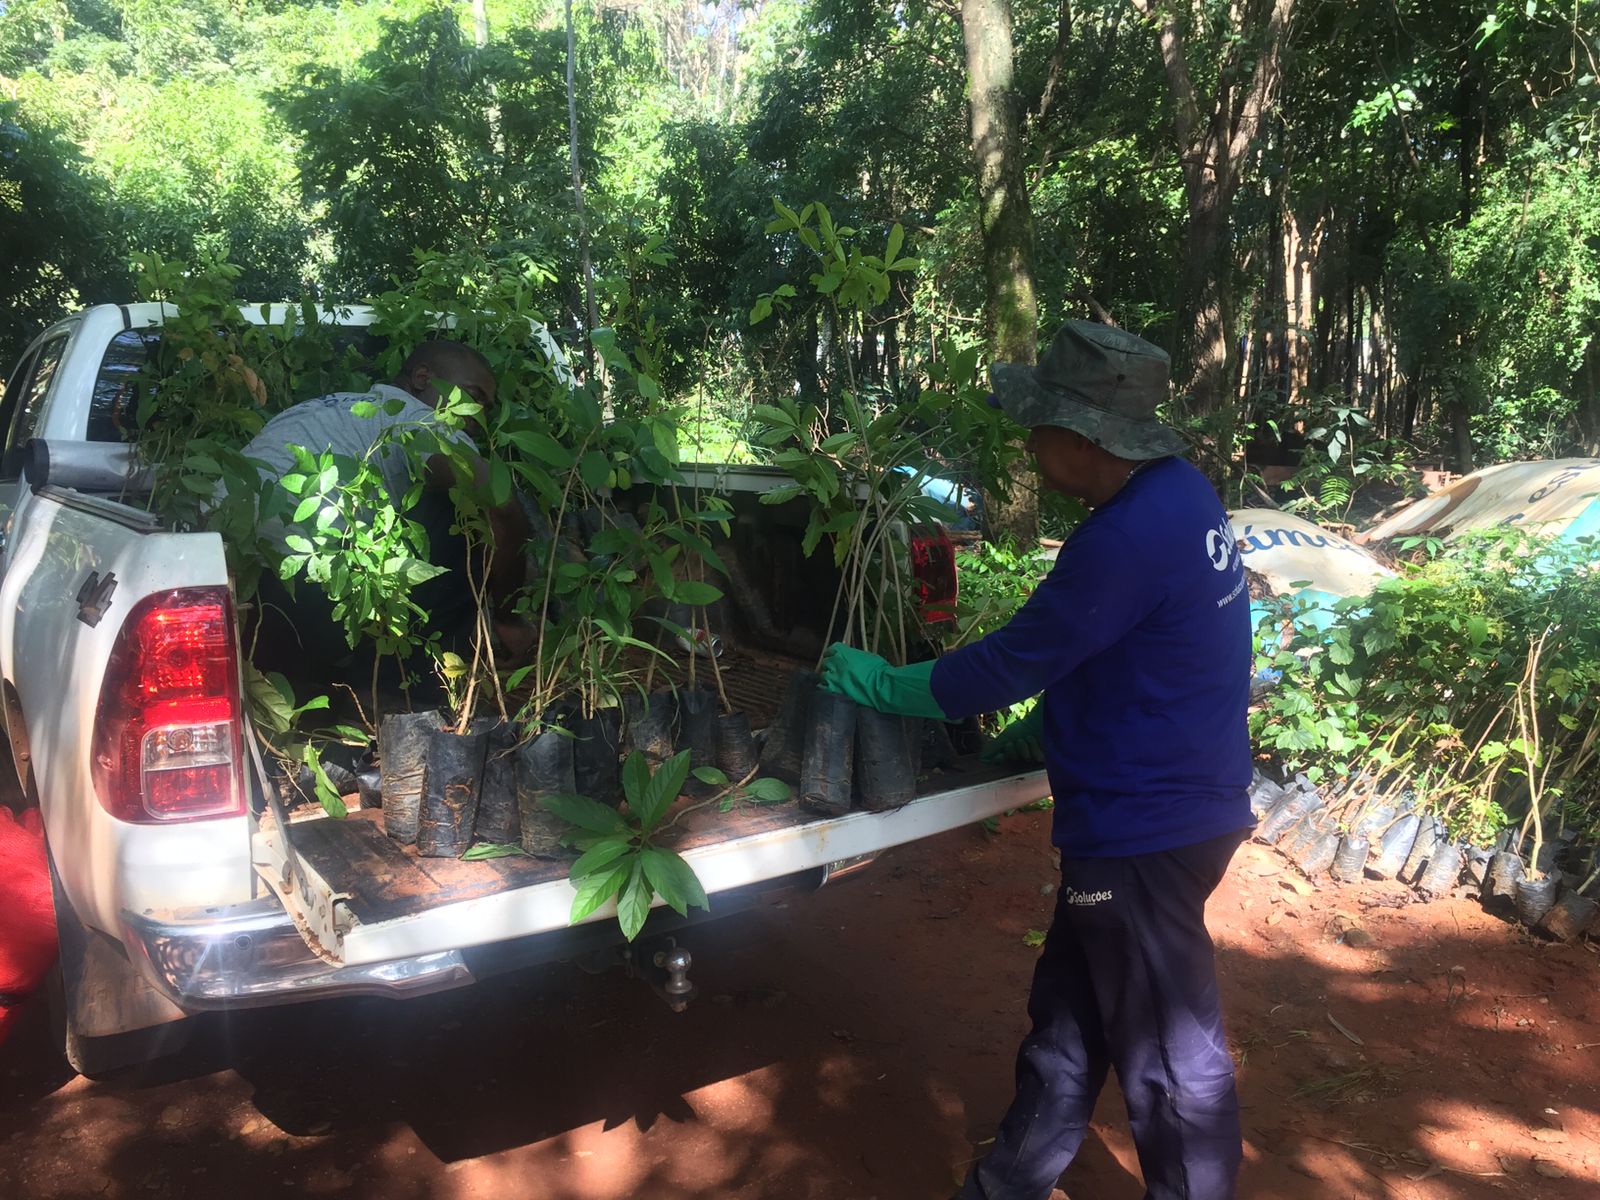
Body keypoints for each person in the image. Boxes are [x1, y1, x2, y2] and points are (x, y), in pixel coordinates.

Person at [819, 321, 1253, 1200]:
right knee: (1070, 1013)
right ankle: (1009, 1182)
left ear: (1085, 439)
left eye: (1039, 425)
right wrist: (1048, 729)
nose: (1027, 441)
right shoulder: (1182, 495)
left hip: (1143, 831)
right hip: (1179, 801)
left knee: (1170, 1060)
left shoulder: (1119, 540)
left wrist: (890, 686)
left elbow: (1009, 661)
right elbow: (1133, 649)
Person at [241, 339, 531, 675]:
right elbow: (503, 508)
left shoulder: (322, 409)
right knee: (466, 516)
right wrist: (510, 618)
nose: (478, 416)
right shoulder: (420, 420)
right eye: (474, 396)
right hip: (299, 593)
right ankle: (409, 691)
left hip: (229, 592)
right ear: (423, 378)